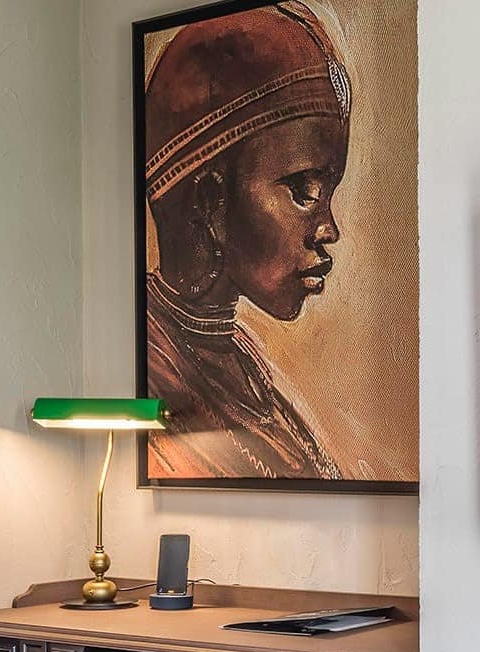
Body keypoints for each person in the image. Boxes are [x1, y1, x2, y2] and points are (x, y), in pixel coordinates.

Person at [143, 1, 351, 481]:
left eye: (329, 195)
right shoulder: (156, 375)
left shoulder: (244, 366)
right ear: (211, 201)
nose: (329, 230)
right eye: (303, 191)